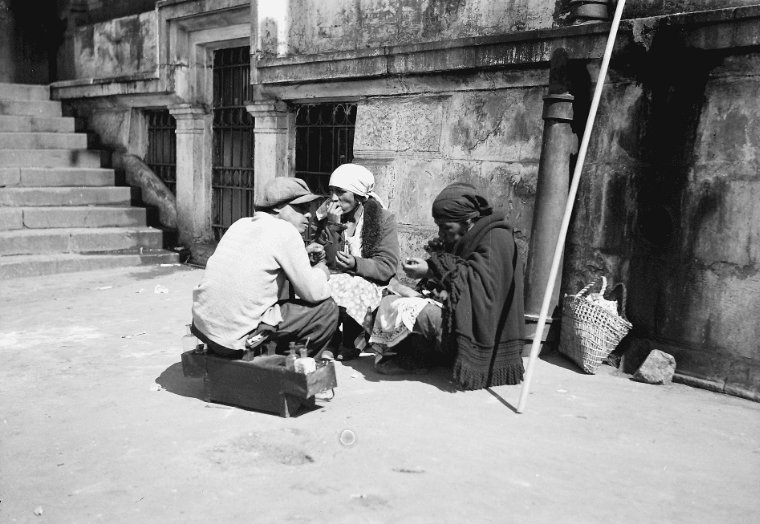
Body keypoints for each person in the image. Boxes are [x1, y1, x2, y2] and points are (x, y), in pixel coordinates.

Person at [371, 182, 525, 389]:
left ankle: (429, 356)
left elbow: (480, 288)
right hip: (461, 313)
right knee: (390, 300)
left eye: (446, 228)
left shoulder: (496, 239)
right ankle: (420, 357)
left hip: (486, 329)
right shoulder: (468, 236)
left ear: (468, 220)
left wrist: (432, 269)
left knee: (418, 311)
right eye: (439, 227)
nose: (442, 234)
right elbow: (456, 278)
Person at [191, 177, 339, 358]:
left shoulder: (240, 224)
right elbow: (313, 293)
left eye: (308, 209)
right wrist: (321, 271)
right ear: (277, 207)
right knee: (328, 309)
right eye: (300, 208)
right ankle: (288, 364)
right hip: (236, 339)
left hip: (205, 328)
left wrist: (301, 256)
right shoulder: (286, 231)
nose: (308, 214)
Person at [313, 163, 400, 361]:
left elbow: (387, 266)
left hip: (371, 282)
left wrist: (356, 264)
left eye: (341, 192)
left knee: (352, 284)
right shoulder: (328, 216)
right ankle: (331, 339)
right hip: (336, 278)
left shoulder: (382, 220)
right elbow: (324, 258)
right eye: (332, 191)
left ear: (358, 195)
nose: (334, 198)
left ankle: (352, 340)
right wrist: (332, 226)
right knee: (324, 283)